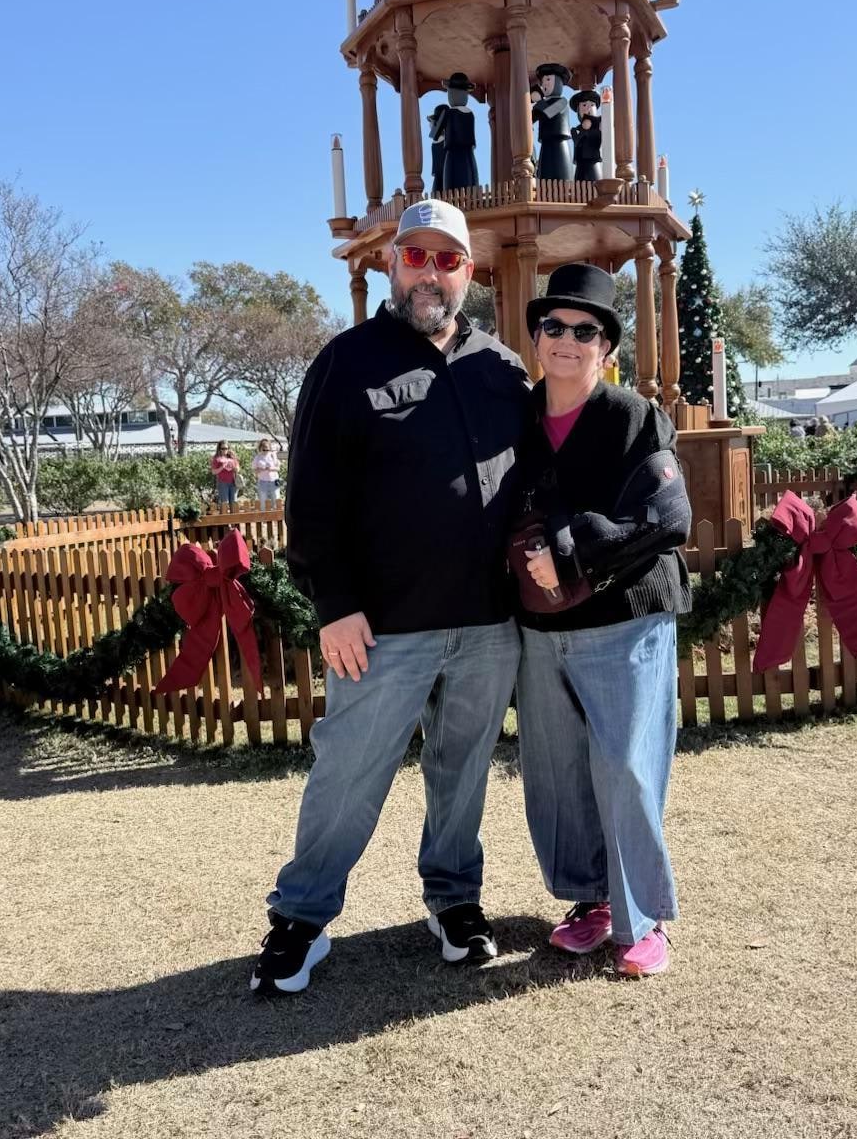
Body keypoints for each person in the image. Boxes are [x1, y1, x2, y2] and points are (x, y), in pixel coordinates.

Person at [255, 199, 531, 995]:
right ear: (390, 264)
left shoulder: (502, 368)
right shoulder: (348, 361)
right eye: (417, 256)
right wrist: (334, 602)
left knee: (463, 770)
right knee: (348, 772)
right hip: (382, 627)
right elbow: (309, 497)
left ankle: (454, 902)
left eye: (448, 260)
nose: (431, 273)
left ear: (468, 274)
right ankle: (301, 918)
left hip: (487, 621)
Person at [508, 263, 692, 978]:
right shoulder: (516, 419)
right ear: (536, 338)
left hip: (625, 618)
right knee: (555, 772)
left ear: (606, 349)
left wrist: (575, 553)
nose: (567, 340)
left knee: (624, 766)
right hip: (539, 627)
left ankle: (642, 917)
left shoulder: (633, 415)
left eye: (586, 331)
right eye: (554, 325)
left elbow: (667, 518)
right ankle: (589, 903)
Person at [252, 439, 281, 507]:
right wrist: (261, 469)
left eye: (267, 450)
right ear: (260, 448)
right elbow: (254, 470)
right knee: (263, 501)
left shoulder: (273, 456)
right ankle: (264, 516)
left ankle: (276, 517)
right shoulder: (257, 457)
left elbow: (278, 468)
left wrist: (271, 469)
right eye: (263, 450)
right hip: (262, 481)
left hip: (274, 481)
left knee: (276, 499)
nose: (265, 451)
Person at [210, 441, 239, 506]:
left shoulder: (232, 457)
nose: (224, 450)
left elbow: (238, 469)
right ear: (219, 449)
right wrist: (222, 467)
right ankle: (224, 516)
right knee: (224, 503)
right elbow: (213, 472)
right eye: (222, 448)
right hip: (223, 483)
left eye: (226, 448)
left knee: (234, 502)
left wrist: (234, 468)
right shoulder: (216, 459)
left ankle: (233, 516)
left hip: (233, 482)